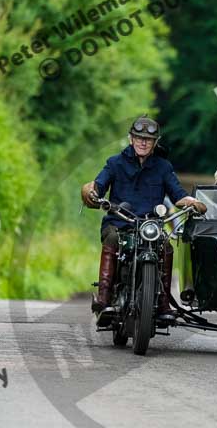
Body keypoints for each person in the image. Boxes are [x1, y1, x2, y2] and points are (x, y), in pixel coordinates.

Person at [81, 116, 205, 323]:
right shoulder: (115, 163)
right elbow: (99, 185)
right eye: (139, 137)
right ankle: (103, 297)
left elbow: (178, 194)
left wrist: (193, 202)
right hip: (119, 223)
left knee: (166, 248)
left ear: (155, 142)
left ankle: (164, 302)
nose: (143, 142)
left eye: (148, 139)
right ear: (131, 138)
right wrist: (92, 193)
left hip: (150, 227)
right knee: (111, 239)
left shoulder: (163, 167)